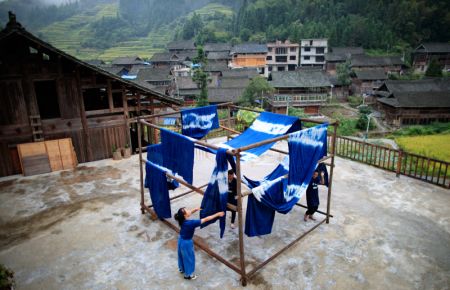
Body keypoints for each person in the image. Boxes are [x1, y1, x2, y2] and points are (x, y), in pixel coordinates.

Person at [174, 207, 224, 280]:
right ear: (185, 215)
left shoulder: (182, 220)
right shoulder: (191, 223)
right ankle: (188, 275)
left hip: (181, 240)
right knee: (189, 258)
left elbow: (189, 213)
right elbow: (206, 219)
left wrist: (195, 209)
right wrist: (217, 214)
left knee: (181, 255)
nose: (189, 210)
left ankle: (181, 269)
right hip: (187, 243)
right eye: (187, 210)